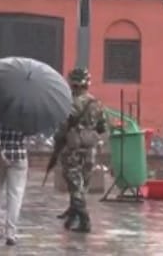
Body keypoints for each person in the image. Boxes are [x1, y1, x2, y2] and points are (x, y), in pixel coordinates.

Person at [54, 68, 106, 233]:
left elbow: (63, 127)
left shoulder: (70, 104)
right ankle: (73, 215)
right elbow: (102, 127)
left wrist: (58, 140)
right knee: (83, 183)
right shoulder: (96, 103)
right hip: (90, 149)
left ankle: (84, 219)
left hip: (73, 149)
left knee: (74, 184)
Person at [0, 118, 28, 246]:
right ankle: (11, 233)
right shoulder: (25, 112)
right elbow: (29, 132)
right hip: (19, 155)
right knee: (15, 195)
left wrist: (0, 151)